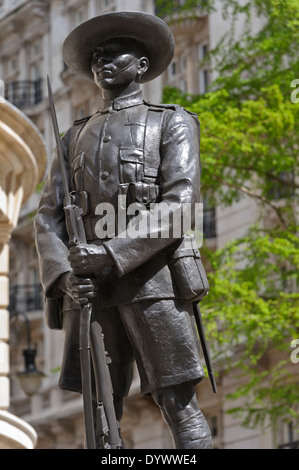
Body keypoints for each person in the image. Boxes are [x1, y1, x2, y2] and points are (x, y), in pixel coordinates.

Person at [35, 11, 212, 449]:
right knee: (100, 412)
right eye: (96, 56)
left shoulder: (172, 121)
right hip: (89, 289)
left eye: (116, 52)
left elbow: (180, 203)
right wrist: (63, 276)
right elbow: (47, 216)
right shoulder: (71, 138)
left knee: (176, 401)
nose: (103, 60)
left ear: (143, 65)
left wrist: (112, 254)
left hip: (153, 280)